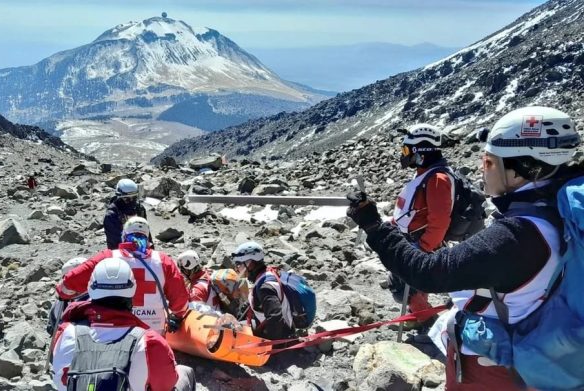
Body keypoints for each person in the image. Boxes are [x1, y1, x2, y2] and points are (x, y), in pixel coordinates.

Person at [346, 106, 581, 390]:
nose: (483, 169)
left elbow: (428, 272)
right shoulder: (560, 210)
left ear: (521, 171)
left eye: (490, 162)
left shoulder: (519, 235)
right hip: (539, 346)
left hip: (494, 367)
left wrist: (373, 225)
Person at [51, 257, 195, 391]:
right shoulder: (149, 342)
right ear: (132, 292)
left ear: (91, 289)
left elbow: (58, 378)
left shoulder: (66, 333)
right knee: (184, 372)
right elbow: (166, 384)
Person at [57, 216, 189, 335]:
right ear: (147, 237)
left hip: (114, 327)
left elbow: (70, 282)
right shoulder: (163, 260)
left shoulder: (108, 256)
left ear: (124, 235)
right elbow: (180, 299)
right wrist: (177, 316)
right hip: (153, 329)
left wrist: (63, 293)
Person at [389, 123, 455, 318]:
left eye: (407, 149)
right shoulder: (427, 174)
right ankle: (420, 314)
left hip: (421, 243)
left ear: (421, 151)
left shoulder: (437, 179)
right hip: (414, 240)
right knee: (405, 284)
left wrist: (422, 248)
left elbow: (439, 221)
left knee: (406, 285)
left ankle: (424, 320)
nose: (404, 154)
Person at [232, 241, 294, 340]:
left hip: (280, 332)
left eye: (239, 264)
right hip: (272, 322)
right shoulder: (266, 273)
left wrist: (268, 345)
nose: (237, 268)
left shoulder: (264, 288)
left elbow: (275, 317)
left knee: (229, 330)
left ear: (250, 263)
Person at [176, 250, 248, 318]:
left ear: (187, 270)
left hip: (214, 323)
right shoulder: (208, 273)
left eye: (182, 270)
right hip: (221, 313)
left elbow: (196, 314)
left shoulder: (197, 290)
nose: (181, 273)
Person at [104, 178, 149, 249]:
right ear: (119, 197)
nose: (131, 201)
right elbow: (114, 241)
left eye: (134, 198)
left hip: (141, 249)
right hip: (120, 252)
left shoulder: (139, 209)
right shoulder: (112, 214)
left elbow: (146, 232)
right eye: (127, 199)